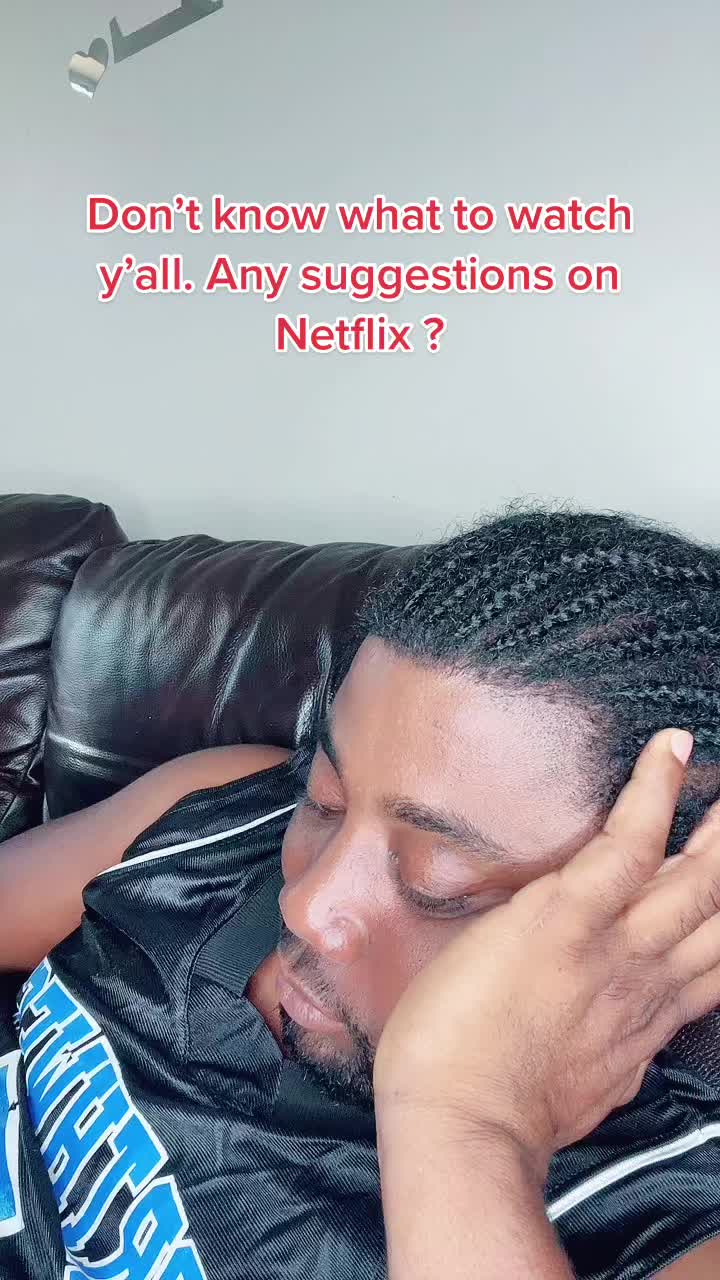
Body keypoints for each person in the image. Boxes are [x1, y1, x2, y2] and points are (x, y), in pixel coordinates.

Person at [2, 506, 720, 1279]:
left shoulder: (665, 1213)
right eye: (325, 798)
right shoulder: (221, 811)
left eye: (434, 885)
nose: (305, 906)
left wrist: (466, 1124)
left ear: (664, 913)